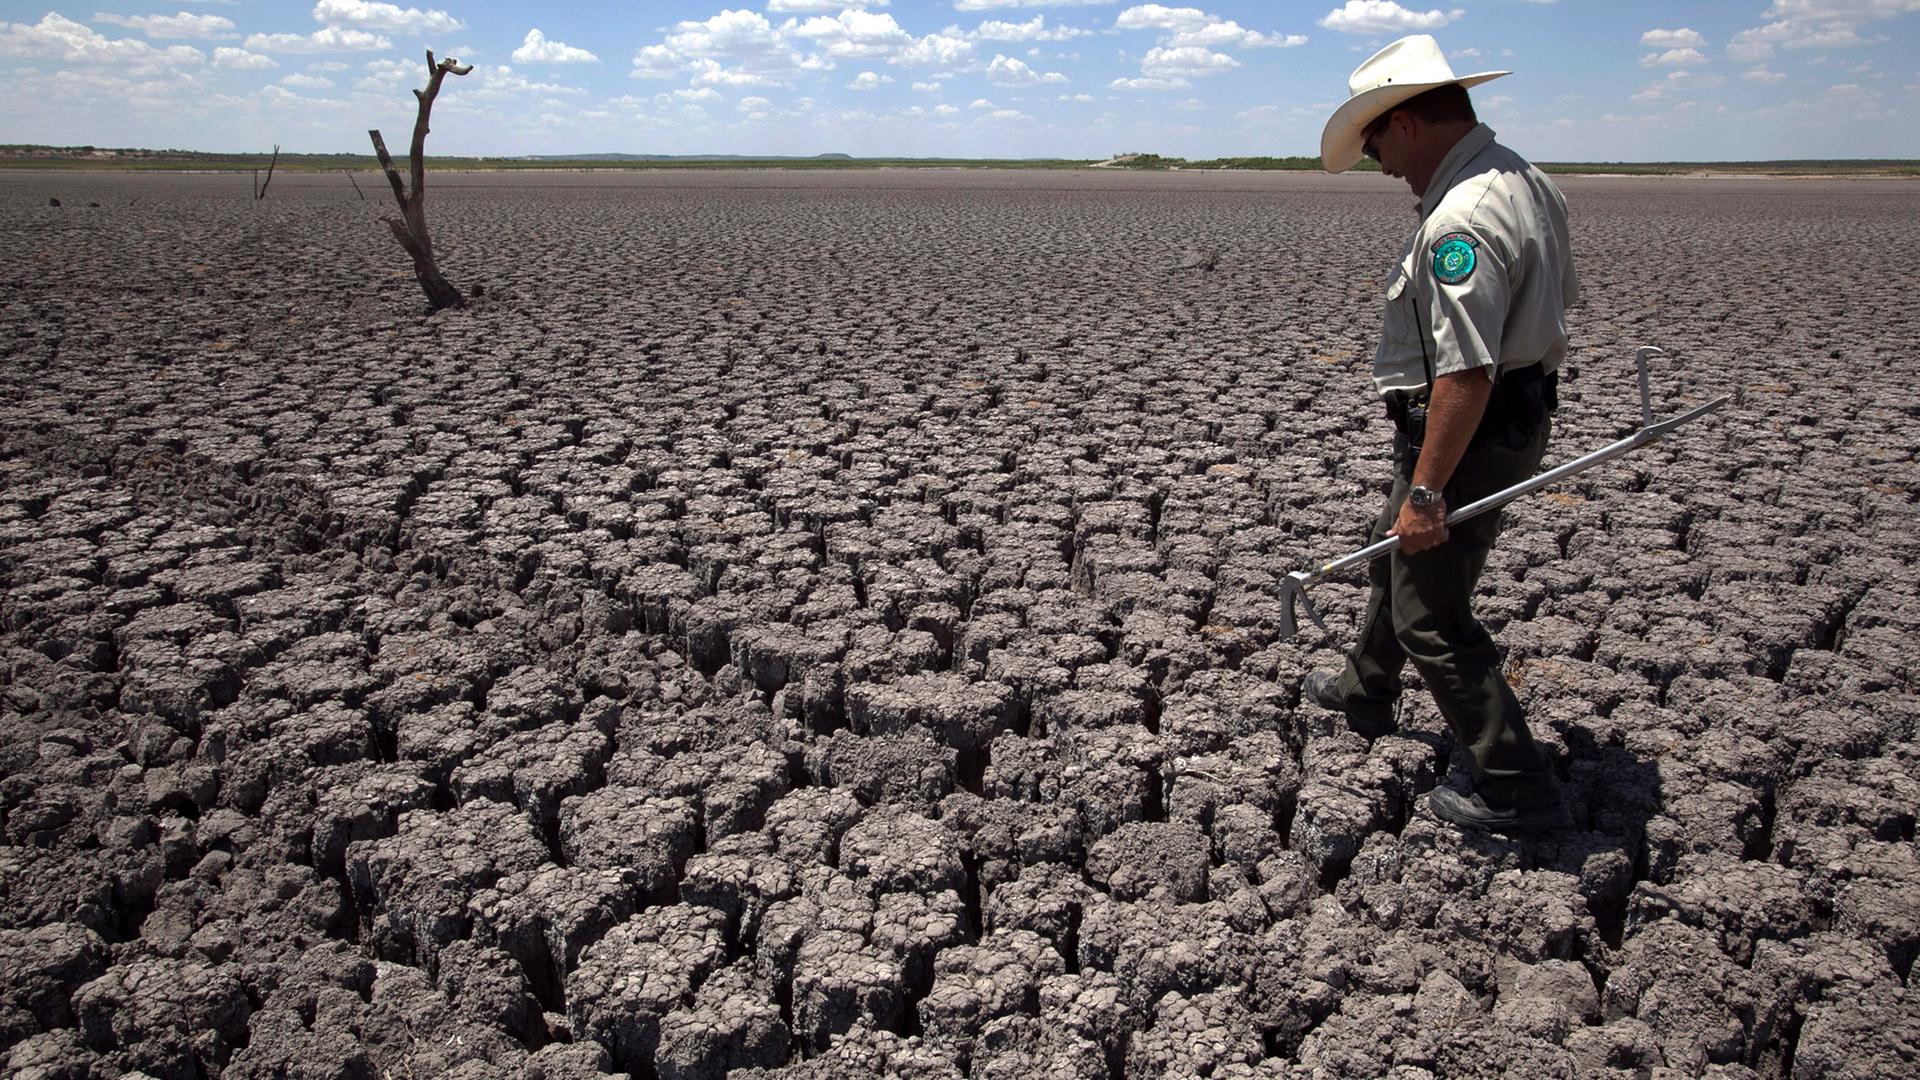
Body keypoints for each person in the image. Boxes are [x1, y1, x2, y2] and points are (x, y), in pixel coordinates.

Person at [1303, 35, 1578, 833]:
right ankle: (1365, 690)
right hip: (1495, 421)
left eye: (1379, 141)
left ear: (1411, 123)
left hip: (1467, 432)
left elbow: (1467, 372)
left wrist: (1427, 489)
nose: (1382, 164)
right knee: (1396, 553)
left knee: (1431, 610)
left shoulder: (1462, 218)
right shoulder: (1525, 178)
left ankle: (1515, 787)